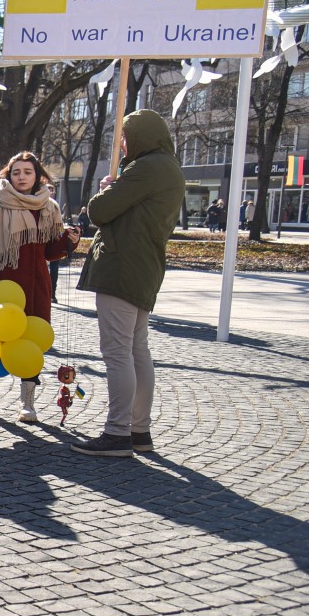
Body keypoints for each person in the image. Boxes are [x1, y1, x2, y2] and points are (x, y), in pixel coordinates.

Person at [73, 109, 185, 457]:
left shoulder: (145, 168)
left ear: (139, 136)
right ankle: (139, 431)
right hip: (144, 267)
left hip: (122, 267)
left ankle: (118, 432)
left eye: (124, 136)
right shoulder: (169, 168)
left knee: (118, 353)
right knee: (137, 351)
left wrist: (109, 188)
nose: (121, 144)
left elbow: (99, 212)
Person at [0, 152, 80, 423]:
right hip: (2, 286)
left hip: (36, 285)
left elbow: (50, 250)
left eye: (27, 172)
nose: (21, 177)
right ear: (9, 175)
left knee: (31, 341)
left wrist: (69, 241)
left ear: (37, 175)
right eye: (16, 172)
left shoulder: (48, 206)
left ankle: (27, 403)